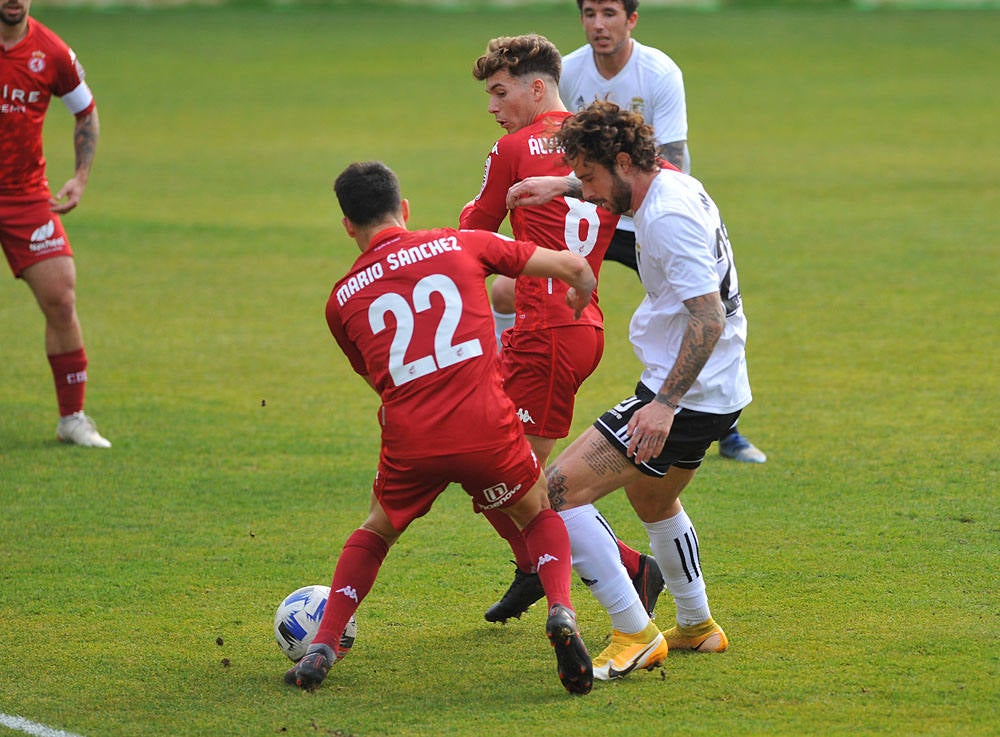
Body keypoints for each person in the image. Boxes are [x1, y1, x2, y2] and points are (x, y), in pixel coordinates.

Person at [283, 161, 594, 695]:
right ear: (403, 209)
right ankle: (562, 612)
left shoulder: (340, 301)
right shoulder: (460, 243)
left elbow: (378, 378)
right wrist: (580, 282)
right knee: (535, 509)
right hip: (486, 425)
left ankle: (323, 645)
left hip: (412, 437)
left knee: (377, 530)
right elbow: (560, 264)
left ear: (348, 226)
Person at [509, 100, 750, 679]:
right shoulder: (666, 178)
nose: (588, 194)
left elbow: (708, 317)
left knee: (554, 494)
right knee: (653, 499)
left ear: (621, 162)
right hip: (719, 389)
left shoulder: (667, 216)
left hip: (684, 395)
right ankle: (696, 625)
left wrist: (664, 405)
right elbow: (612, 178)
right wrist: (561, 183)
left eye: (590, 178)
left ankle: (634, 632)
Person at [503, 0, 765, 464]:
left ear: (632, 20)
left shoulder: (659, 72)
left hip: (643, 215)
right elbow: (554, 137)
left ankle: (724, 425)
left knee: (692, 304)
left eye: (609, 13)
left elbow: (673, 159)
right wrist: (568, 186)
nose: (599, 25)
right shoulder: (573, 69)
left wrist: (639, 206)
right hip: (597, 206)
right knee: (508, 288)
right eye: (589, 14)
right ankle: (507, 380)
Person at [460, 34, 664, 626]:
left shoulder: (517, 148)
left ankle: (626, 570)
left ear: (538, 86)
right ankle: (535, 567)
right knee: (486, 465)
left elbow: (474, 232)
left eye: (500, 93)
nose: (493, 107)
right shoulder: (597, 143)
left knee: (512, 479)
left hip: (546, 334)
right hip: (576, 323)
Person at [0, 0, 110, 447]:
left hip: (26, 196)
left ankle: (73, 418)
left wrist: (81, 177)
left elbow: (86, 111)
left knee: (61, 298)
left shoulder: (53, 53)